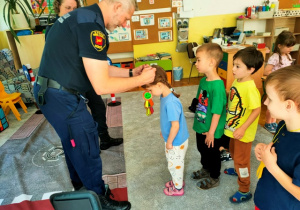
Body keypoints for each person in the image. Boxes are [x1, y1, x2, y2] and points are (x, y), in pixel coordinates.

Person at [33, 0, 156, 209]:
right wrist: (141, 81)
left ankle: (81, 191)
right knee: (86, 141)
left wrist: (130, 73)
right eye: (127, 18)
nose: (126, 24)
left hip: (51, 91)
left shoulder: (83, 17)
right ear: (117, 6)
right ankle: (98, 200)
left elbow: (99, 68)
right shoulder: (92, 27)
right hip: (60, 96)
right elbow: (101, 85)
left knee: (73, 141)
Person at [45, 0, 124, 150]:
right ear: (58, 8)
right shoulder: (54, 30)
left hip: (88, 76)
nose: (72, 11)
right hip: (69, 83)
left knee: (98, 106)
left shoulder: (83, 26)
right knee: (80, 117)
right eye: (68, 8)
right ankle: (90, 146)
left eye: (75, 8)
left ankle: (104, 138)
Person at [254, 65, 300, 209]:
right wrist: (266, 149)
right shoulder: (283, 125)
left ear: (288, 105)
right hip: (266, 198)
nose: (265, 102)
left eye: (270, 98)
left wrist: (272, 166)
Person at [223, 47, 264, 203]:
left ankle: (244, 188)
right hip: (233, 129)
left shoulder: (250, 89)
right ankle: (237, 170)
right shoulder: (238, 80)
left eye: (237, 66)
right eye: (234, 64)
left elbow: (257, 110)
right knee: (233, 151)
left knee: (242, 160)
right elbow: (233, 95)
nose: (233, 69)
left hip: (243, 132)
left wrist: (243, 128)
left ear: (251, 70)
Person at [142, 65, 189, 196]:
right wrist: (164, 131)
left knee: (174, 165)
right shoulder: (165, 96)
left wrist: (169, 142)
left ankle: (178, 188)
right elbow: (168, 120)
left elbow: (175, 126)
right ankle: (176, 181)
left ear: (159, 85)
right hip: (173, 138)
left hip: (176, 141)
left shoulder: (171, 103)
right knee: (174, 163)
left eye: (150, 90)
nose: (149, 93)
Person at [189, 43, 227, 190]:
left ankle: (214, 176)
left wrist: (211, 132)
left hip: (212, 130)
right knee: (202, 149)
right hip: (201, 125)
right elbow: (200, 102)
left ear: (211, 62)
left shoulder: (218, 86)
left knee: (212, 153)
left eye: (199, 60)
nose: (196, 63)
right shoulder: (203, 81)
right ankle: (206, 168)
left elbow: (217, 112)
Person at [263, 30, 296, 133]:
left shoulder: (288, 56)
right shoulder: (275, 57)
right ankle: (268, 122)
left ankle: (274, 122)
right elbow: (266, 71)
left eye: (292, 46)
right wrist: (279, 74)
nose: (290, 48)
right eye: (288, 46)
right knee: (271, 104)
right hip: (274, 85)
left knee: (279, 104)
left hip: (283, 85)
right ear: (280, 45)